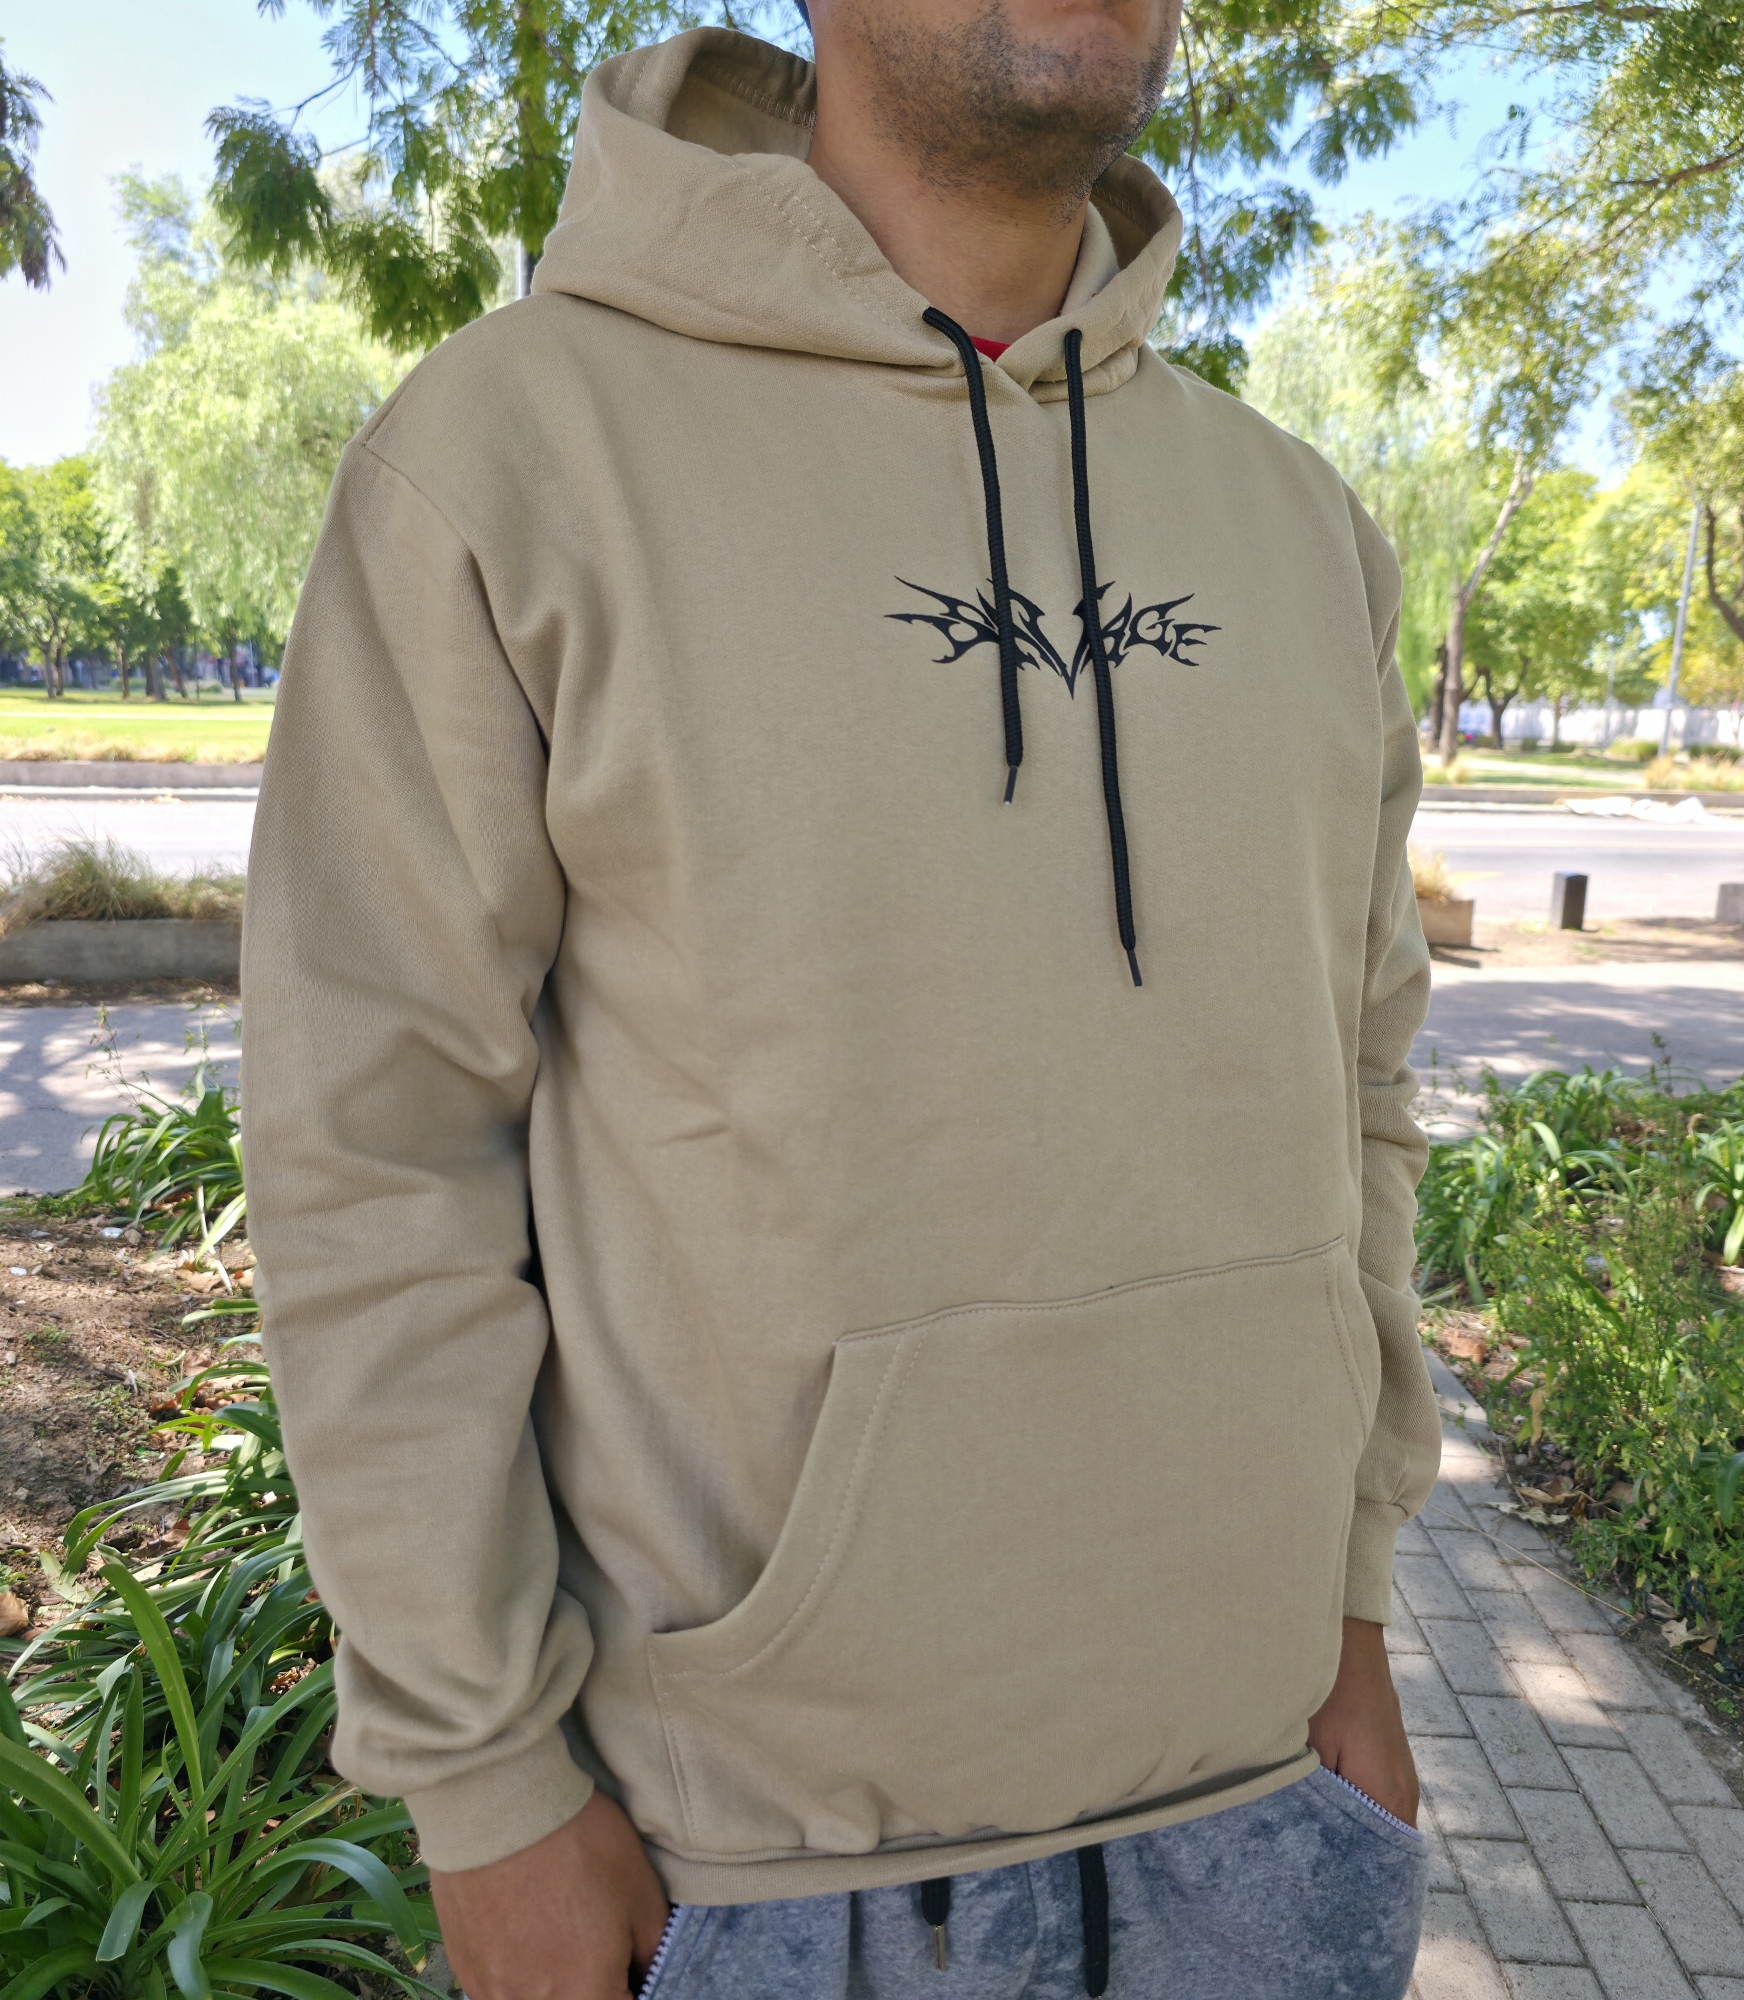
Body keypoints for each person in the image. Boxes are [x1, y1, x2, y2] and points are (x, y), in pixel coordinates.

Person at [241, 2, 1442, 1995]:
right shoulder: (507, 456)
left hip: (1272, 1809)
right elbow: (374, 1159)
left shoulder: (1302, 524)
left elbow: (1363, 1088)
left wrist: (1352, 1603)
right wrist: (482, 1781)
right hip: (760, 1870)